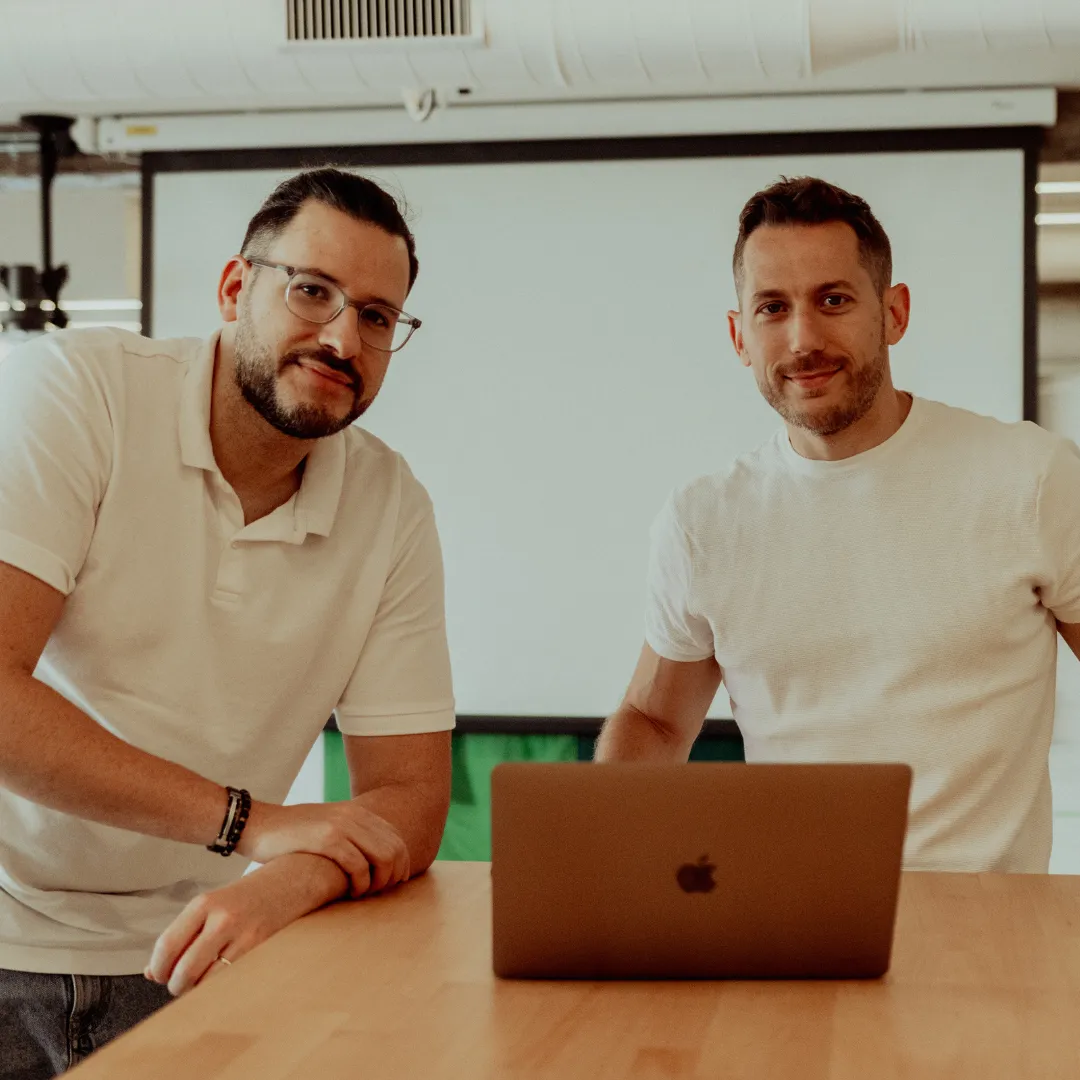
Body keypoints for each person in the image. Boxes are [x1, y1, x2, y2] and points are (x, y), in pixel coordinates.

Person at [0, 167, 455, 1077]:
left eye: (376, 316)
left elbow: (411, 796)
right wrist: (254, 827)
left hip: (194, 957)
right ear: (234, 288)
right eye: (312, 291)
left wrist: (294, 876)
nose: (342, 337)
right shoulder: (78, 393)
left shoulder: (391, 504)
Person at [596, 175, 1080, 874]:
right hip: (790, 926)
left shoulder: (1031, 479)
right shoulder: (702, 522)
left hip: (985, 929)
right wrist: (604, 859)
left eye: (833, 300)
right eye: (771, 308)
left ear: (894, 313)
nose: (803, 339)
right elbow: (657, 720)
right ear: (739, 336)